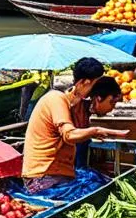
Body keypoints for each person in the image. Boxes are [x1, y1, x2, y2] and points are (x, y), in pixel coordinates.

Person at [22, 60, 127, 193]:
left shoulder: (77, 105)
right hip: (42, 178)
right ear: (85, 83)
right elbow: (69, 135)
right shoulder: (56, 99)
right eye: (95, 84)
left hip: (59, 175)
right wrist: (95, 131)